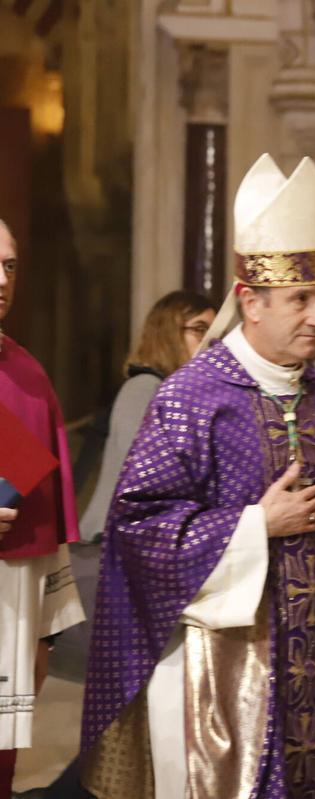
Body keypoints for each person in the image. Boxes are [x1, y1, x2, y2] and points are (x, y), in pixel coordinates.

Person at [79, 154, 315, 798]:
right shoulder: (191, 399)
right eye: (299, 300)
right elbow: (138, 529)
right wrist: (252, 527)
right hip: (225, 679)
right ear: (251, 302)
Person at [0, 219, 86, 799]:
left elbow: (43, 521)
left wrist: (42, 639)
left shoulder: (27, 376)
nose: (1, 278)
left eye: (9, 265)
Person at [79, 290, 217, 542]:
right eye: (200, 329)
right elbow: (142, 473)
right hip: (110, 542)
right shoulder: (144, 386)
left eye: (216, 333)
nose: (210, 341)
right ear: (168, 334)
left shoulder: (176, 393)